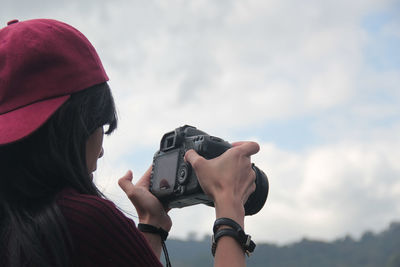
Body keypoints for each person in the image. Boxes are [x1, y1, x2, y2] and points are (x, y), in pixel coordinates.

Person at [0, 18, 260, 267]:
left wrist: (151, 224)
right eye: (99, 126)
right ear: (71, 126)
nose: (101, 151)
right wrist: (229, 205)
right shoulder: (81, 221)